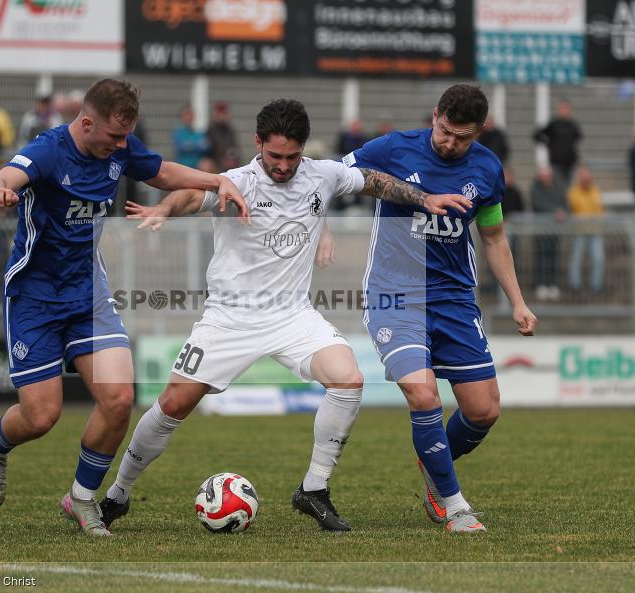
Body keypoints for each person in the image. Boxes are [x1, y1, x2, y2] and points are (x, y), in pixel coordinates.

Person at [107, 98, 471, 532]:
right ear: (258, 143)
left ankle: (313, 490)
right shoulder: (237, 181)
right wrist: (165, 208)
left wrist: (423, 198)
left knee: (348, 379)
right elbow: (191, 194)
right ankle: (118, 494)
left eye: (292, 156)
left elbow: (373, 181)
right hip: (230, 317)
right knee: (172, 404)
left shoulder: (322, 174)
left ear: (304, 149)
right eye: (274, 156)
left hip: (292, 315)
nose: (283, 166)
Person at [0, 78, 246, 537]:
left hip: (88, 295)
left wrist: (219, 180)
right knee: (41, 417)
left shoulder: (118, 148)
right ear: (85, 123)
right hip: (34, 298)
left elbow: (160, 171)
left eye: (127, 137)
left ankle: (82, 498)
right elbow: (6, 176)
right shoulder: (47, 151)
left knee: (120, 399)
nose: (122, 146)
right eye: (115, 137)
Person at [344, 84, 537, 533]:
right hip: (394, 295)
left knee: (484, 410)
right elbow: (334, 175)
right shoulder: (394, 148)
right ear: (435, 116)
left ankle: (435, 460)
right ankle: (453, 504)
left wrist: (518, 301)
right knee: (424, 394)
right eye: (446, 131)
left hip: (453, 298)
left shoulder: (488, 168)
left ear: (480, 132)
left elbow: (492, 236)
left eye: (462, 137)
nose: (451, 143)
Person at [530, 166, 567, 301]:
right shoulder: (535, 188)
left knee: (553, 257)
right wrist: (554, 211)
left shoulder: (557, 187)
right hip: (540, 230)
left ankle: (552, 284)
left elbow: (564, 202)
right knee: (540, 257)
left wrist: (562, 210)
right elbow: (537, 203)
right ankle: (540, 284)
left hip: (554, 230)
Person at [566, 166, 605, 295]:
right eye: (584, 179)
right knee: (576, 259)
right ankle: (575, 286)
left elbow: (598, 209)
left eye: (588, 179)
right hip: (580, 231)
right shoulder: (573, 192)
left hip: (595, 230)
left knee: (598, 258)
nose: (587, 181)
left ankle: (596, 286)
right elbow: (575, 207)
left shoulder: (595, 191)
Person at [534, 99, 582, 187]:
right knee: (558, 185)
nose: (564, 111)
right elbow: (537, 135)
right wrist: (547, 143)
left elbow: (578, 138)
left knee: (569, 186)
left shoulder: (573, 125)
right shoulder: (553, 124)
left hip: (570, 162)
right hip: (556, 162)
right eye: (562, 109)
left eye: (566, 109)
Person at [172, 105, 210, 170]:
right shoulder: (178, 133)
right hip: (183, 166)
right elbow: (181, 147)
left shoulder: (198, 133)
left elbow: (207, 147)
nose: (189, 117)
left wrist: (191, 144)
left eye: (190, 115)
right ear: (181, 117)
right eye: (186, 114)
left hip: (197, 167)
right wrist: (197, 145)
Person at [206, 101, 240, 172]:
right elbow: (208, 151)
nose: (222, 116)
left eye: (224, 113)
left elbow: (235, 148)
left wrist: (232, 158)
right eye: (220, 114)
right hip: (216, 163)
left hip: (229, 162)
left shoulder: (230, 130)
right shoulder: (211, 130)